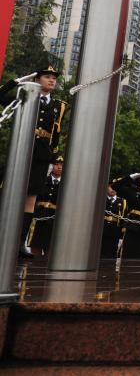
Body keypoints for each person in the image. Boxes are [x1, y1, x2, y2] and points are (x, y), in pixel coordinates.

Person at [0, 65, 68, 258]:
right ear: (37, 79)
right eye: (47, 76)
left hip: (42, 155)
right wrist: (17, 81)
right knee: (8, 191)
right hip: (22, 147)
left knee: (31, 198)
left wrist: (52, 158)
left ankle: (20, 242)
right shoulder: (25, 97)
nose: (52, 80)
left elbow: (56, 134)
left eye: (54, 77)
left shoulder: (59, 106)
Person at [27, 154, 63, 255]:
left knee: (51, 248)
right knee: (35, 245)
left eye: (62, 165)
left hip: (55, 218)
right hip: (39, 215)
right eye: (56, 164)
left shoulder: (66, 183)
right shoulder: (42, 180)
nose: (59, 167)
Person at [101, 184, 126, 259]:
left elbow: (124, 218)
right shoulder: (101, 199)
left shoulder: (123, 202)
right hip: (101, 229)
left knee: (112, 252)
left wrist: (121, 235)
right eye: (111, 187)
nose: (113, 189)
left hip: (115, 230)